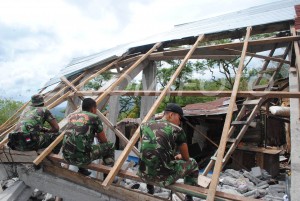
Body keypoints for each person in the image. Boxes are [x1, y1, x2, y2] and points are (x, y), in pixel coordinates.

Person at [137, 103, 199, 201]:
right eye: (179, 119)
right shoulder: (178, 130)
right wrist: (179, 156)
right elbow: (186, 158)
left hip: (143, 173)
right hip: (164, 178)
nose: (180, 123)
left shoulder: (145, 125)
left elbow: (147, 146)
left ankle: (150, 188)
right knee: (193, 163)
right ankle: (189, 196)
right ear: (171, 115)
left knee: (149, 156)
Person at [62, 98, 115, 176]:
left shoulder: (72, 116)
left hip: (66, 156)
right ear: (93, 108)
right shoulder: (94, 118)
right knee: (109, 146)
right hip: (82, 159)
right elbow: (103, 140)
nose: (96, 110)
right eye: (96, 108)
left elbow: (76, 132)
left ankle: (82, 169)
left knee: (79, 144)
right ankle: (107, 174)